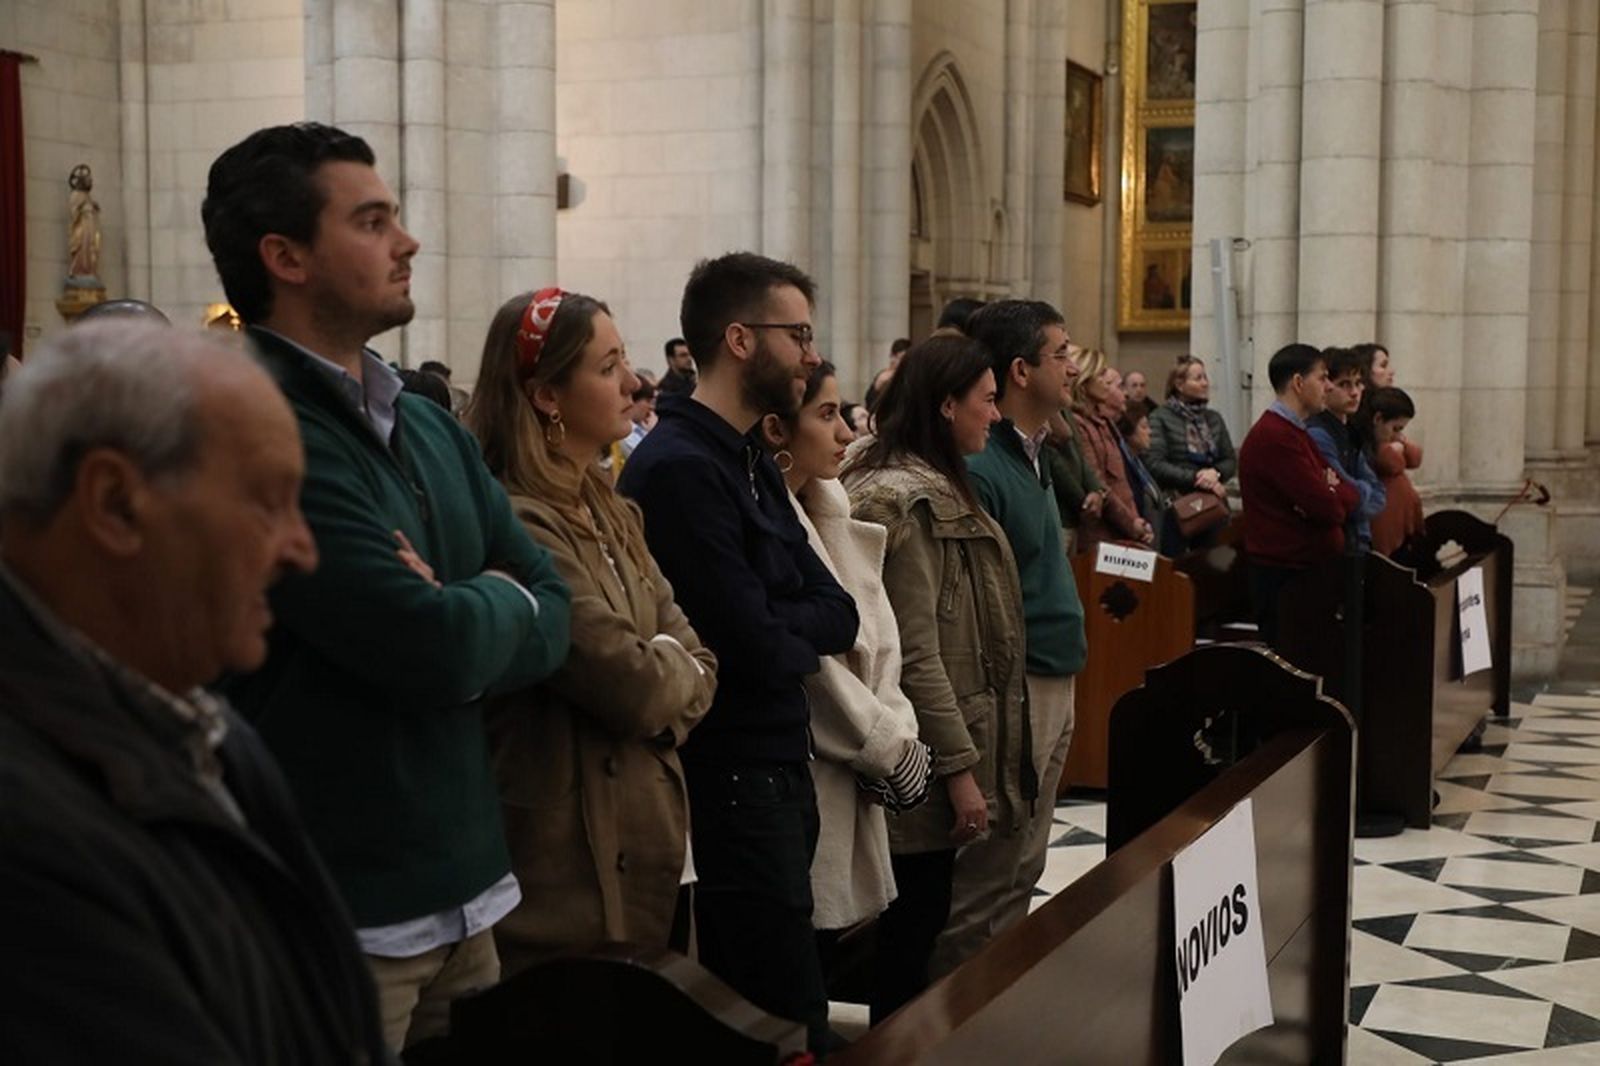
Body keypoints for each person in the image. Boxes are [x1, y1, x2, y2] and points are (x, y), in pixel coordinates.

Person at [203, 121, 573, 1053]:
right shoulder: (261, 427)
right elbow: (426, 645)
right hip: (342, 912)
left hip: (470, 890)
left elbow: (555, 605)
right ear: (286, 257)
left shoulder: (429, 424)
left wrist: (467, 605)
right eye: (372, 222)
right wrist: (492, 603)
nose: (407, 242)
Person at [0, 320, 387, 1064]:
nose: (303, 549)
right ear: (116, 503)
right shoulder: (25, 834)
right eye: (269, 501)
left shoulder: (211, 730)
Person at [617, 252, 859, 1053]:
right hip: (730, 772)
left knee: (786, 998)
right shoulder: (681, 468)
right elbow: (748, 642)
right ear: (741, 340)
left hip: (778, 758)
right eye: (799, 336)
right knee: (780, 1016)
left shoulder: (749, 456)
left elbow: (840, 610)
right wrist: (790, 625)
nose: (811, 356)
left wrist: (786, 622)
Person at [467, 288, 716, 973]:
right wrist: (667, 670)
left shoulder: (610, 508)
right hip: (567, 869)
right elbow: (630, 686)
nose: (634, 383)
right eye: (608, 367)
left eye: (625, 360)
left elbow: (700, 656)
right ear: (547, 396)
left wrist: (669, 668)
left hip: (653, 837)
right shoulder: (519, 521)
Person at [841, 331, 1025, 1021]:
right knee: (910, 931)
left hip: (929, 741)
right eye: (987, 400)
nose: (996, 415)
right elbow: (917, 653)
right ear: (947, 405)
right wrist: (959, 769)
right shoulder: (904, 501)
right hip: (914, 752)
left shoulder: (932, 481)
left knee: (919, 922)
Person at [755, 360, 929, 963]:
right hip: (817, 763)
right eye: (826, 415)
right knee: (804, 953)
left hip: (860, 764)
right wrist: (886, 745)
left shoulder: (831, 508)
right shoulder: (768, 517)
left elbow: (881, 639)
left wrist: (898, 728)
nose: (846, 433)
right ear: (777, 429)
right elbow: (816, 669)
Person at [938, 299, 1086, 974]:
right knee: (990, 874)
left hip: (1052, 675)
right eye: (1062, 353)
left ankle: (1001, 1001)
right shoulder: (984, 467)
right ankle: (958, 1014)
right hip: (1015, 688)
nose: (1073, 366)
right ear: (1021, 370)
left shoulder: (1033, 451)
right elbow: (973, 608)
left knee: (1026, 863)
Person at [1237, 343, 1359, 641]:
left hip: (1305, 573)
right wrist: (1328, 489)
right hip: (1286, 577)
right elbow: (1329, 509)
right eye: (1322, 378)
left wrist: (1330, 489)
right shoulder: (1275, 436)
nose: (1328, 386)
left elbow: (1350, 494)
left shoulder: (1295, 431)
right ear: (1298, 382)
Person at [1147, 354, 1235, 549]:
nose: (1205, 383)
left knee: (1217, 560)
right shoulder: (1159, 418)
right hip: (1176, 505)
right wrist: (1197, 477)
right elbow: (1155, 463)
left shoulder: (1213, 418)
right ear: (1179, 385)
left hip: (1213, 503)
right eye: (1198, 378)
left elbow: (1229, 459)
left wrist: (1215, 473)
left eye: (1205, 377)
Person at [1072, 350, 1153, 550]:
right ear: (1085, 381)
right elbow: (1099, 482)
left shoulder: (1104, 421)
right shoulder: (1079, 424)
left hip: (1124, 528)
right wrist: (1131, 524)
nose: (1106, 383)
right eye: (1101, 375)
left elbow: (1121, 481)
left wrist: (1136, 521)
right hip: (1101, 533)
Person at [1307, 347, 1386, 551]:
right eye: (1344, 384)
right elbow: (1345, 498)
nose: (1354, 392)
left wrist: (1361, 493)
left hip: (1357, 538)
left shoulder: (1351, 430)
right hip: (1336, 543)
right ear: (1326, 386)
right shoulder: (1318, 433)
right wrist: (1362, 492)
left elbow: (1379, 494)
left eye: (1358, 383)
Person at [1366, 387, 1425, 558]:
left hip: (1403, 523)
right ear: (1378, 419)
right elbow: (1391, 462)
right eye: (1395, 428)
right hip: (1384, 527)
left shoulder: (1393, 441)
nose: (1397, 435)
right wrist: (1397, 448)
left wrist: (1402, 444)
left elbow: (1415, 458)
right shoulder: (1373, 446)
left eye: (1401, 430)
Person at [1119, 408, 1170, 540]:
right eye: (1144, 427)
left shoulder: (1140, 463)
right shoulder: (1124, 464)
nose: (1150, 432)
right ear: (1129, 432)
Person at [864, 336, 912, 410]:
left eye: (900, 358)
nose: (894, 360)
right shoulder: (883, 376)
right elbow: (869, 404)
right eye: (893, 356)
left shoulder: (912, 378)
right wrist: (877, 386)